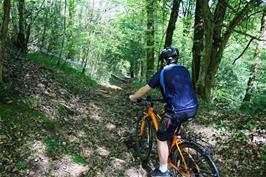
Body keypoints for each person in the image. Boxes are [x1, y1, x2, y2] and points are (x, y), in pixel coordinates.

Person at [129, 47, 198, 177]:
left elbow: (145, 89)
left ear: (164, 60)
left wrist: (133, 97)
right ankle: (186, 157)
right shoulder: (184, 70)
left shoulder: (162, 73)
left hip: (176, 110)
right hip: (193, 107)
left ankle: (163, 170)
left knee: (161, 138)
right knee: (174, 132)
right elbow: (179, 89)